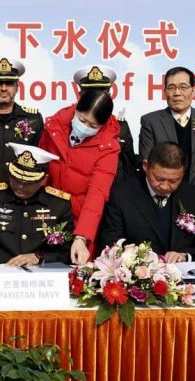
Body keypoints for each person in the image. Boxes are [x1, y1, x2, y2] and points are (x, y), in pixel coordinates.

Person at [0, 143, 73, 268]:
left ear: (43, 180)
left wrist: (39, 257)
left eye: (28, 183)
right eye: (15, 179)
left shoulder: (58, 204)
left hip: (41, 277)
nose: (20, 186)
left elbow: (68, 250)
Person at [40, 88, 120, 264]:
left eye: (93, 126)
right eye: (82, 120)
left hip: (82, 219)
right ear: (76, 108)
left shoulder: (108, 148)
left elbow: (97, 193)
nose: (85, 127)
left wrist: (82, 237)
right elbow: (40, 169)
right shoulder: (54, 127)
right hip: (46, 216)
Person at [99, 142, 195, 261]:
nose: (164, 186)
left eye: (173, 181)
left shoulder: (194, 196)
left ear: (183, 173)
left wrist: (185, 256)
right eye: (159, 179)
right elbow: (110, 243)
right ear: (146, 166)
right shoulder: (122, 194)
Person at [139, 66, 195, 212]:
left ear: (193, 91)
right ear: (165, 92)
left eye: (183, 87)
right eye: (171, 88)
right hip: (163, 199)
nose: (177, 93)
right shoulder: (150, 121)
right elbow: (148, 161)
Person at [73, 65, 139, 179]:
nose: (95, 99)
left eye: (100, 94)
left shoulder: (121, 127)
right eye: (90, 94)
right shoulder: (64, 123)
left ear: (109, 95)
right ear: (80, 95)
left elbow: (129, 167)